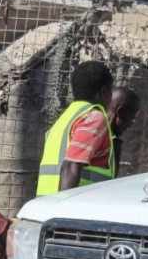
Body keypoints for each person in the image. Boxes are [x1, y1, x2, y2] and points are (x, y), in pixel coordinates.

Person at [36, 61, 116, 195]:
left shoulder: (65, 119)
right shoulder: (93, 117)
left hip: (44, 205)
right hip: (73, 208)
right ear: (103, 91)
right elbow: (70, 166)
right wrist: (61, 210)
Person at [107, 86, 141, 173]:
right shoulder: (94, 136)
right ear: (120, 112)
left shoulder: (109, 140)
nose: (131, 124)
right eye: (131, 118)